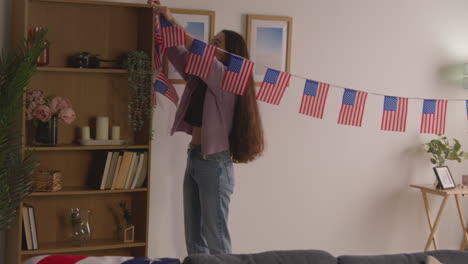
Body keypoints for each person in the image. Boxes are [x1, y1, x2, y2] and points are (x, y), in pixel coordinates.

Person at [148, 0, 264, 255]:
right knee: (194, 238)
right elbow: (178, 52)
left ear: (230, 55)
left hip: (214, 165)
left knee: (217, 240)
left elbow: (195, 50)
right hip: (195, 158)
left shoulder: (227, 78)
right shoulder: (200, 77)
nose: (211, 46)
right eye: (211, 41)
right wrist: (161, 22)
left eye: (217, 43)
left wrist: (171, 18)